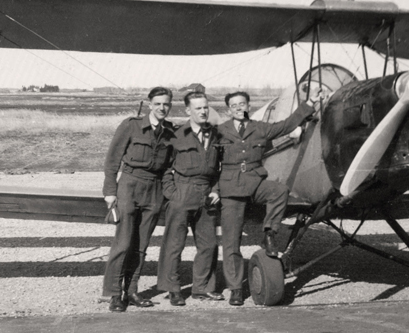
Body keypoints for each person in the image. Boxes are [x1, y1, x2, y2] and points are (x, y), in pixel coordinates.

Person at [217, 91, 319, 306]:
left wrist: (309, 103)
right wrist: (214, 189)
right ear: (228, 109)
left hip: (255, 184)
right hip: (231, 189)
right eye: (234, 105)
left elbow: (287, 124)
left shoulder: (260, 128)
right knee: (231, 242)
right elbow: (210, 162)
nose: (238, 107)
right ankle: (235, 288)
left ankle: (269, 233)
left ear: (248, 105)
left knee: (279, 191)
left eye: (242, 103)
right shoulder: (220, 132)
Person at [101, 87, 176, 312]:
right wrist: (110, 191)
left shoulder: (170, 132)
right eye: (159, 103)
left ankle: (132, 291)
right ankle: (114, 294)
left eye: (167, 104)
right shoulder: (131, 125)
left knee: (142, 246)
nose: (163, 108)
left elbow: (169, 167)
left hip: (154, 190)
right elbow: (112, 160)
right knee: (123, 243)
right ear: (150, 104)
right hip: (130, 185)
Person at [158, 92, 222, 306]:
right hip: (182, 192)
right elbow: (164, 167)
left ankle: (202, 288)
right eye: (198, 108)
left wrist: (216, 189)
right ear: (188, 111)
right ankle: (173, 289)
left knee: (209, 244)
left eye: (205, 107)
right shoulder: (176, 135)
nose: (203, 111)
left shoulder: (216, 135)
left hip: (207, 193)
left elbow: (221, 168)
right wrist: (172, 193)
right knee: (174, 244)